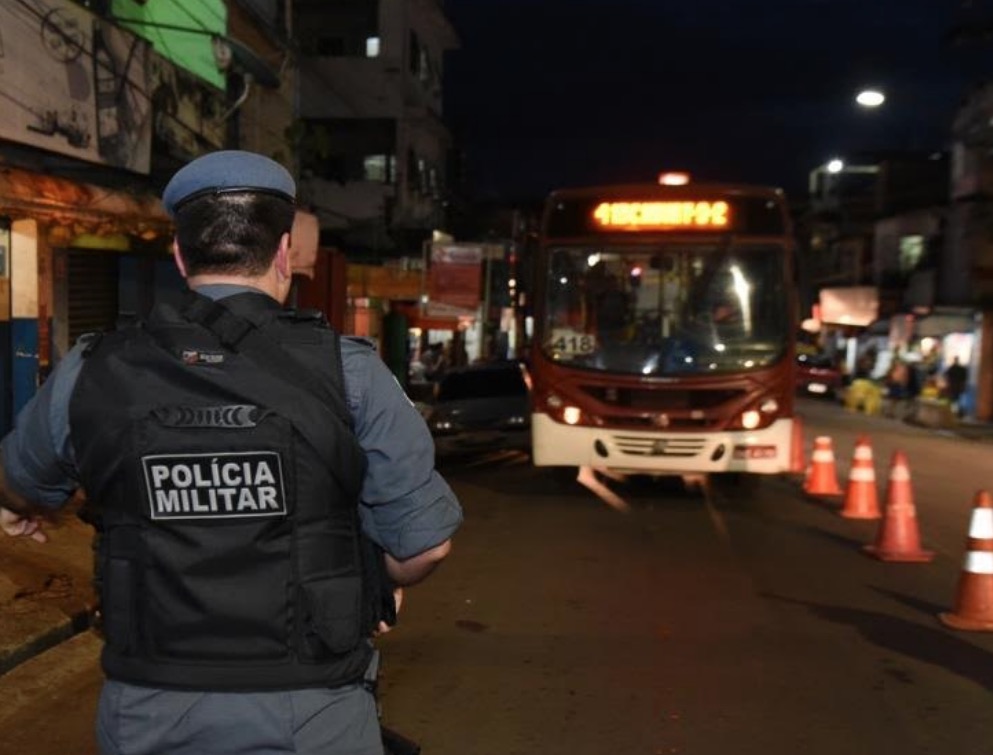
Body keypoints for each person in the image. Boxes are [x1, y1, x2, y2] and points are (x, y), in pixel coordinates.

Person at [0, 150, 463, 755]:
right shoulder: (350, 373)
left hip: (148, 708)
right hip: (310, 710)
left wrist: (19, 507)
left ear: (178, 255)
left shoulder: (91, 368)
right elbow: (426, 544)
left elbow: (19, 482)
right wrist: (373, 578)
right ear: (284, 253)